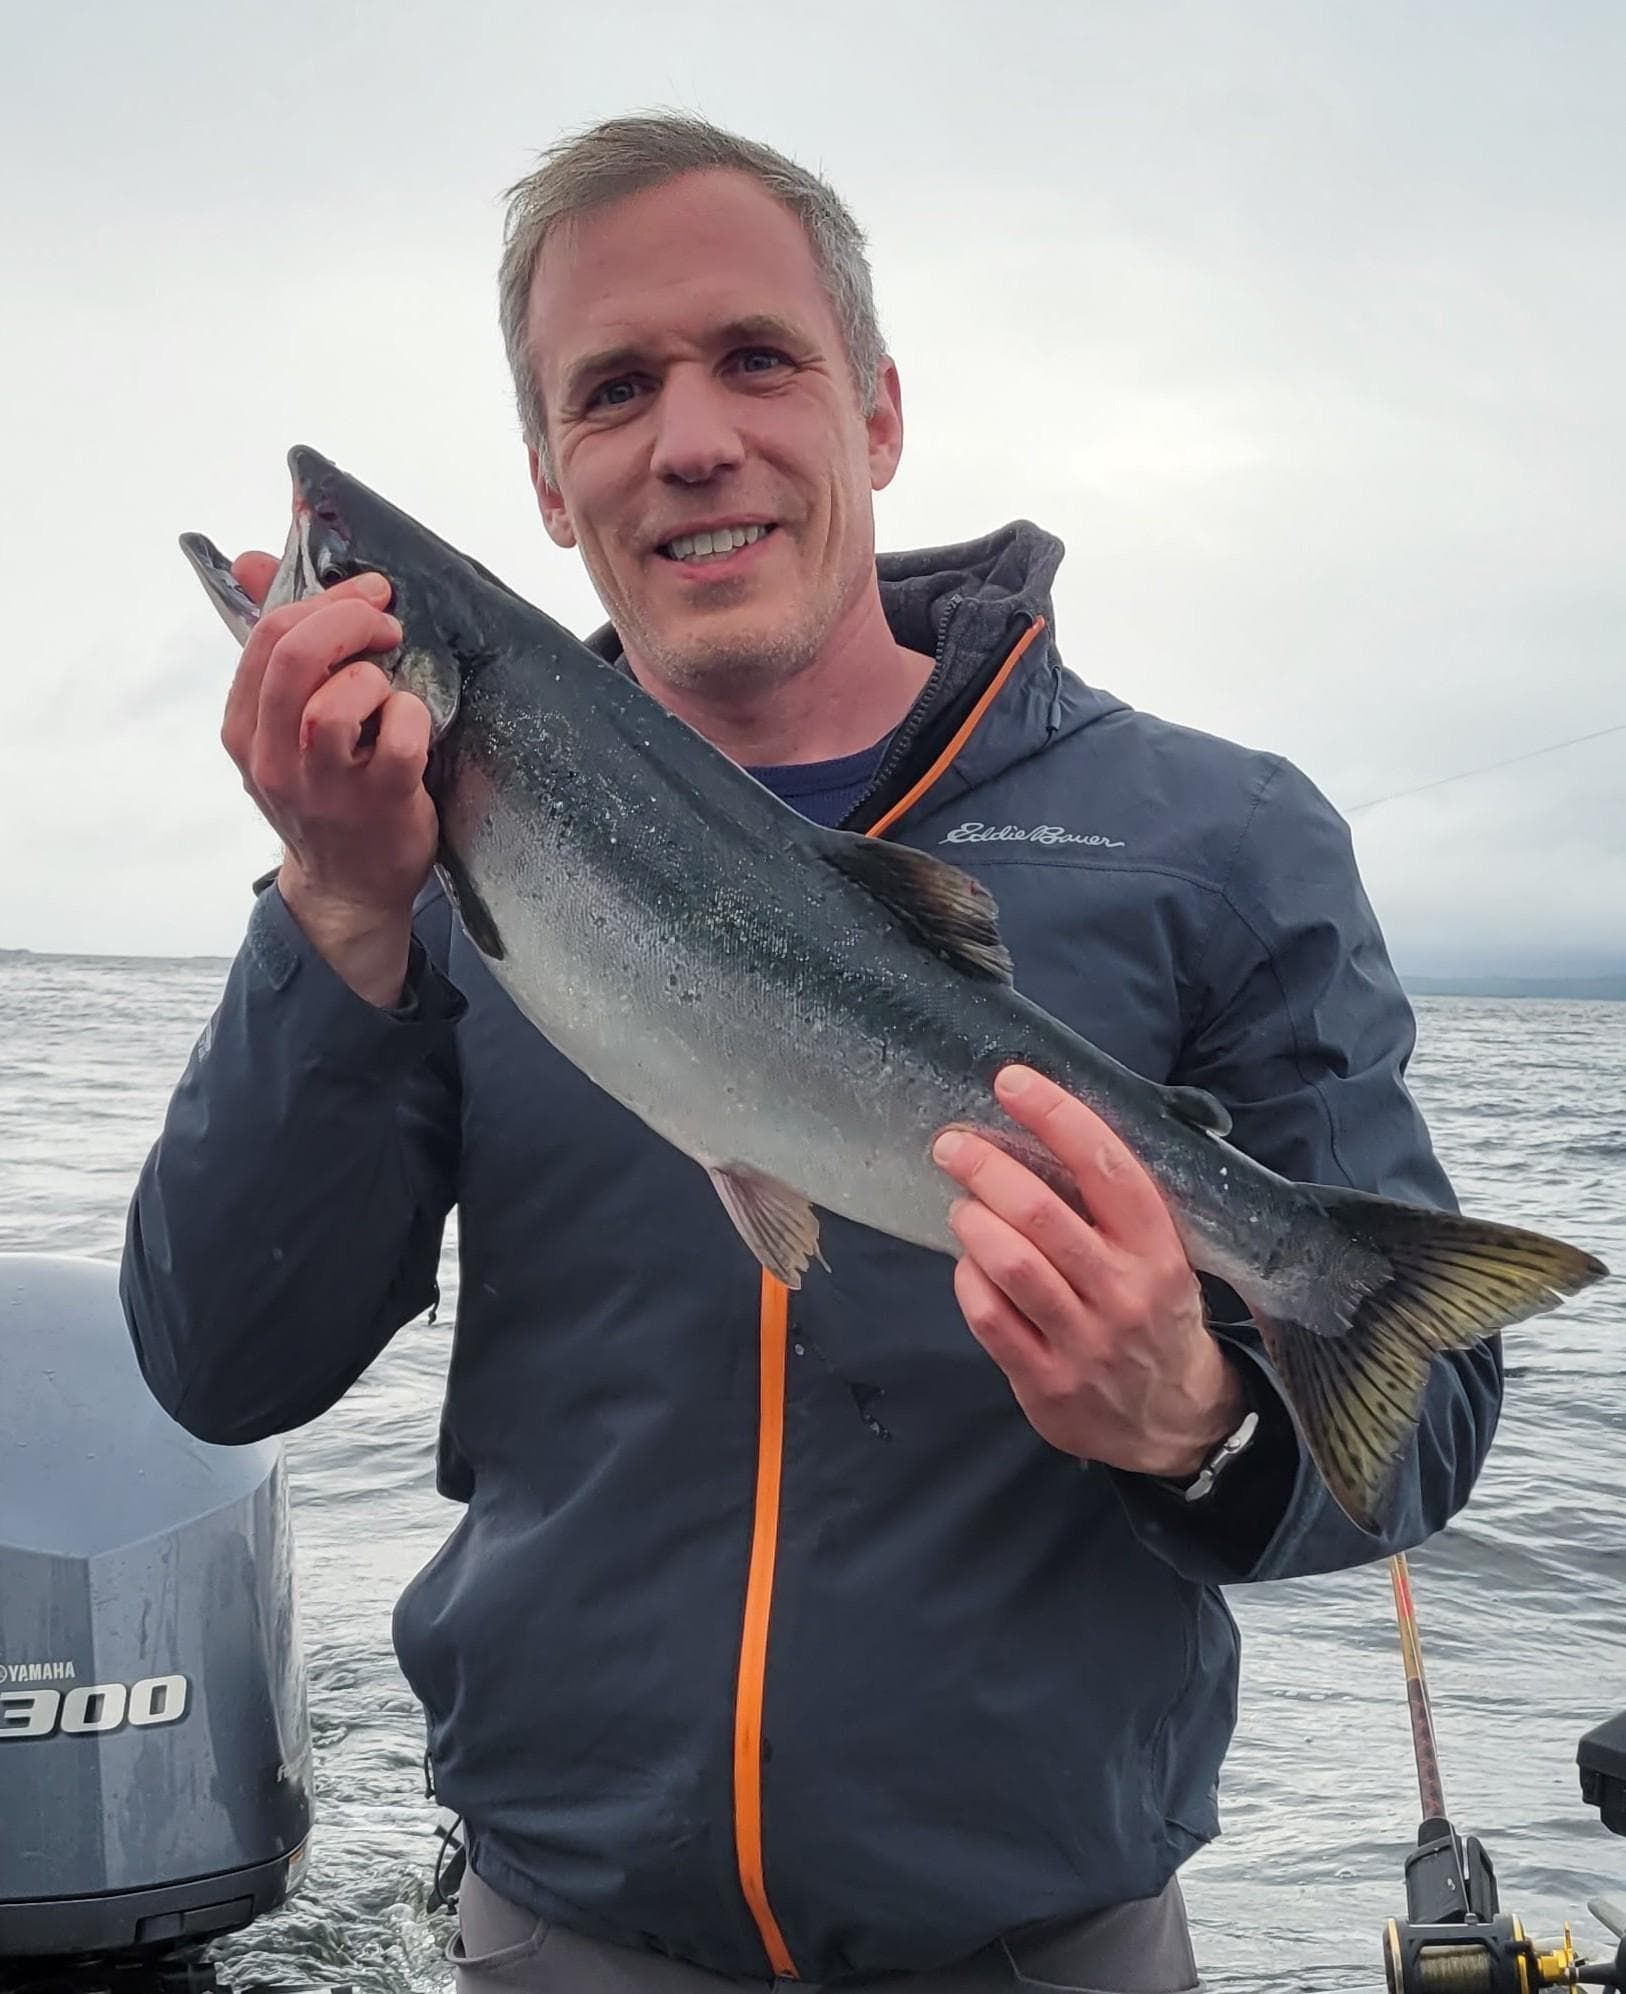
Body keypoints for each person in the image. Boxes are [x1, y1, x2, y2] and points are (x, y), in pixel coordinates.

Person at [122, 115, 1499, 1994]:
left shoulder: (1216, 840)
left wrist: (1198, 1421)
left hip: (1052, 1947)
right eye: (614, 390)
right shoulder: (423, 866)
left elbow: (1418, 1425)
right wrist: (337, 917)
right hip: (565, 1939)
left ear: (877, 412)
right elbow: (223, 1362)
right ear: (545, 480)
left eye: (755, 359)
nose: (691, 438)